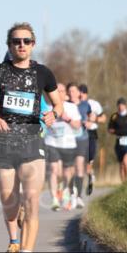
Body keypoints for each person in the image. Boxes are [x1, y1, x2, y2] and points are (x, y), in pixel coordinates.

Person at [0, 23, 62, 253]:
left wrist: (53, 114)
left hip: (31, 142)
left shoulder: (43, 73)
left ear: (33, 44)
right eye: (16, 41)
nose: (21, 45)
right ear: (9, 45)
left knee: (32, 199)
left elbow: (59, 104)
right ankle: (16, 221)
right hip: (3, 144)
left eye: (26, 41)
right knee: (9, 204)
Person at [45, 83, 81, 211]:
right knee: (54, 170)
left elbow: (77, 126)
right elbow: (42, 126)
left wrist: (67, 119)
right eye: (56, 91)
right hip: (51, 142)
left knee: (66, 173)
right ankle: (54, 199)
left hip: (68, 143)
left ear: (65, 94)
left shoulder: (71, 107)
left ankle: (66, 190)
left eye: (61, 91)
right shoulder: (47, 107)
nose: (58, 93)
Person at [65, 83, 89, 208]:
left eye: (73, 90)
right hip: (68, 139)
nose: (71, 93)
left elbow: (92, 116)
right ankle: (70, 195)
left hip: (81, 138)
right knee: (69, 168)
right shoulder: (66, 105)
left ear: (79, 93)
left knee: (79, 166)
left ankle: (78, 196)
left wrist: (89, 121)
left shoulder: (85, 104)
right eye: (69, 91)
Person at [78, 84, 104, 196]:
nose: (81, 95)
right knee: (79, 160)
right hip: (78, 134)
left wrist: (95, 119)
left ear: (86, 93)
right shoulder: (75, 105)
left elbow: (103, 118)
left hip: (91, 134)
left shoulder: (94, 104)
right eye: (79, 93)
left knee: (88, 162)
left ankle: (90, 177)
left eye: (83, 93)